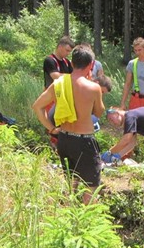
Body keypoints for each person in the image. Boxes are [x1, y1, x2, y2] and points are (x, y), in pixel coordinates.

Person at [32, 44, 105, 205]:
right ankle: (90, 227)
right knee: (91, 189)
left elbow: (37, 106)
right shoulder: (94, 88)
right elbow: (99, 113)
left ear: (71, 63)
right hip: (84, 140)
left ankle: (68, 219)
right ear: (91, 65)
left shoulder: (59, 84)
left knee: (70, 186)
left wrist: (51, 128)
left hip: (64, 139)